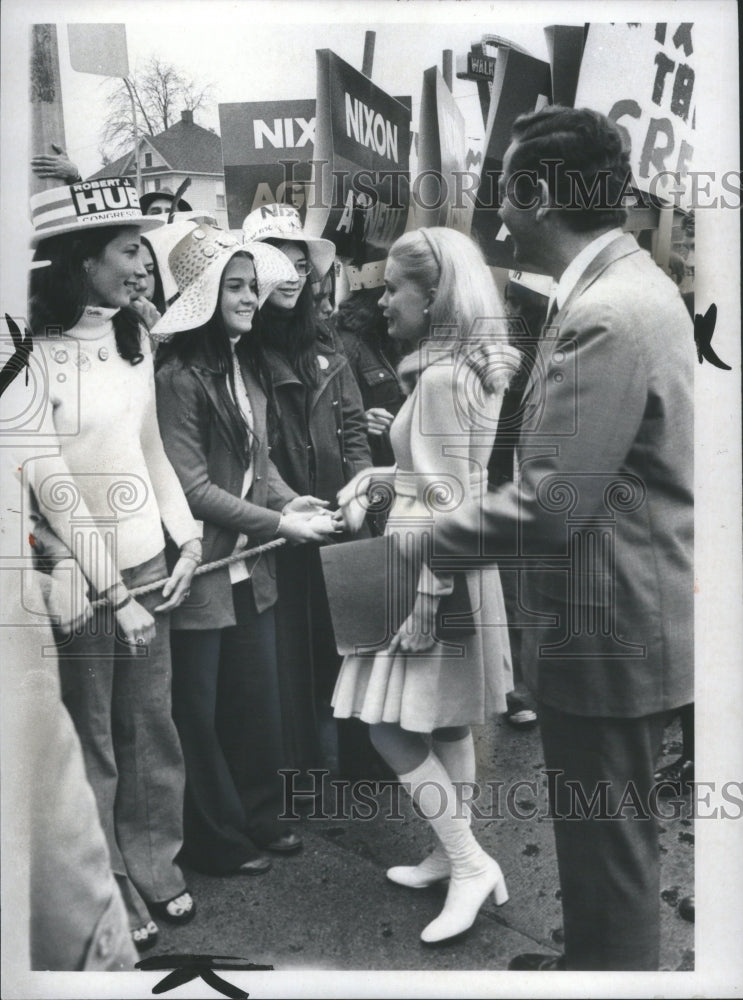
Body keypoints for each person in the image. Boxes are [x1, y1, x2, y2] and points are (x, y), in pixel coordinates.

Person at [431, 107, 693, 970]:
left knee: (609, 846)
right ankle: (591, 963)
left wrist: (429, 538)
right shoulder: (621, 289)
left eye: (504, 190)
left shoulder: (607, 312)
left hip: (607, 631)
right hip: (615, 619)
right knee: (594, 833)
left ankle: (609, 973)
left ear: (537, 194)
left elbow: (549, 503)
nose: (495, 211)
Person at [19, 177, 204, 952]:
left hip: (151, 561)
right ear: (81, 260)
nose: (144, 265)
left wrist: (186, 535)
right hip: (87, 582)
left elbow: (151, 449)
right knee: (93, 736)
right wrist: (109, 589)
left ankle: (156, 861)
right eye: (131, 250)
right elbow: (49, 485)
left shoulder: (137, 336)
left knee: (150, 724)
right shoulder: (25, 350)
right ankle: (110, 887)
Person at [334, 227, 519, 945]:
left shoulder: (442, 376)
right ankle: (450, 853)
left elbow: (450, 499)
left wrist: (426, 598)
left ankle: (468, 861)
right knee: (444, 721)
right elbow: (455, 478)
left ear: (432, 293)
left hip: (429, 562)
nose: (382, 301)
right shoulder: (467, 367)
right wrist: (377, 474)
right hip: (452, 559)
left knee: (383, 725)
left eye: (392, 288)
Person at [153, 225, 339, 875]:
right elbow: (192, 489)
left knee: (254, 699)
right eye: (233, 286)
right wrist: (279, 525)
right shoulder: (178, 376)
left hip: (247, 567)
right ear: (202, 297)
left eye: (249, 285)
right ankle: (214, 839)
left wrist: (291, 502)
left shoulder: (244, 363)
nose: (249, 297)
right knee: (196, 715)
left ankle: (261, 815)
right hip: (198, 569)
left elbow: (257, 467)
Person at [242, 204, 373, 782]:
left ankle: (366, 765)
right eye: (279, 264)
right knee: (292, 653)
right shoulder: (241, 349)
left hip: (343, 520)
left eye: (301, 264)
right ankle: (304, 774)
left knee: (354, 641)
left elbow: (352, 428)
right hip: (285, 524)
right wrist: (287, 506)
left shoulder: (328, 344)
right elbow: (253, 448)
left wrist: (360, 491)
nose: (293, 275)